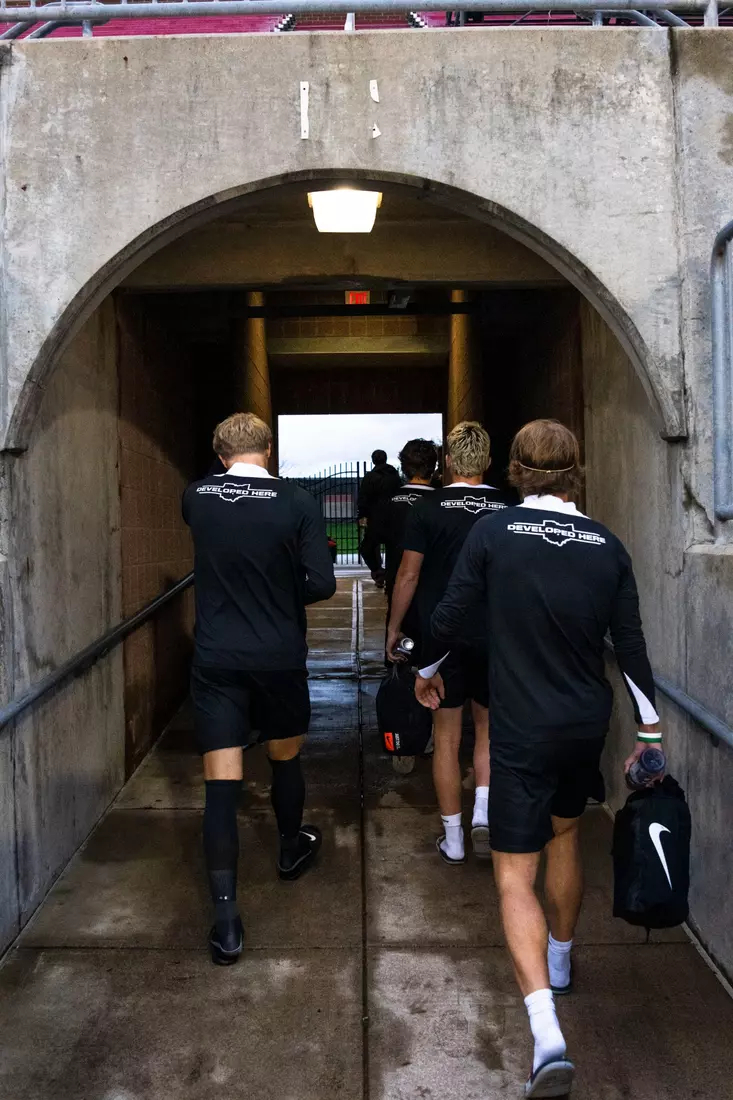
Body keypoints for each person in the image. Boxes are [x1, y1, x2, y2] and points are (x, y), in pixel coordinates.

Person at [420, 418, 662, 1098]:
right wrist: (648, 732)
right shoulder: (605, 544)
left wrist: (423, 665)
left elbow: (452, 612)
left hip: (521, 726)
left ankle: (544, 1028)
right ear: (574, 468)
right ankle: (560, 959)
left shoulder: (492, 533)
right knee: (565, 833)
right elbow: (631, 646)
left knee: (511, 875)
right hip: (584, 723)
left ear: (518, 470)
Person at [183, 412, 336, 966]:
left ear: (220, 453)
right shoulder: (296, 502)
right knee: (285, 760)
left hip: (218, 659)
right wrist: (281, 582)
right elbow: (321, 582)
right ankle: (290, 850)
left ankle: (227, 923)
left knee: (221, 787)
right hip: (278, 658)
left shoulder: (196, 496)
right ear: (269, 449)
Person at [386, 421, 512, 862]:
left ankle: (454, 840)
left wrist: (394, 627)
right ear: (489, 462)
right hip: (497, 637)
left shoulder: (428, 509)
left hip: (441, 638)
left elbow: (408, 573)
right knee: (489, 733)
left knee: (446, 737)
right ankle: (483, 811)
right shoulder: (509, 507)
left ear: (448, 462)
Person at [379, 438, 438, 775]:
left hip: (403, 599)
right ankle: (433, 732)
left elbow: (371, 541)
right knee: (437, 664)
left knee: (401, 663)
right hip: (439, 599)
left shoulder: (390, 502)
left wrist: (376, 566)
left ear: (403, 466)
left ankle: (405, 736)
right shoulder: (443, 502)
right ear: (434, 467)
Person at [357, 448, 402, 586]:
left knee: (367, 547)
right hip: (394, 516)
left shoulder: (370, 477)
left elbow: (364, 498)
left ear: (373, 460)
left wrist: (362, 515)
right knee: (392, 548)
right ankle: (391, 574)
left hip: (375, 517)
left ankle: (377, 571)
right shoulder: (394, 476)